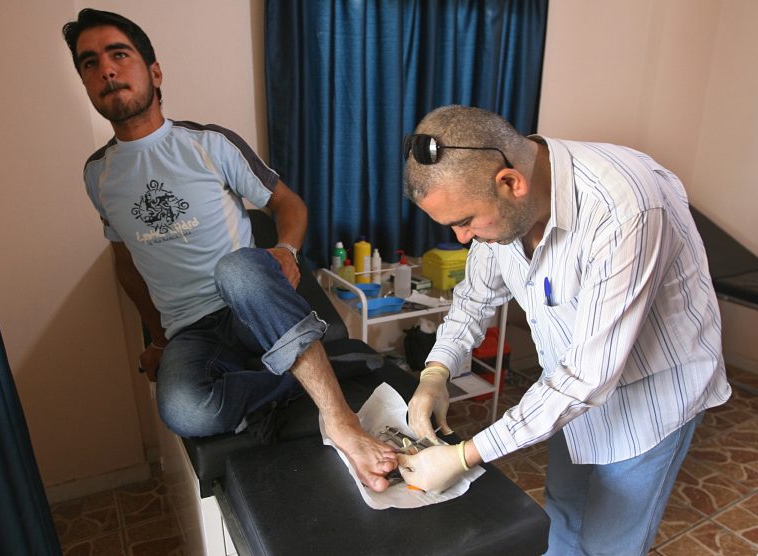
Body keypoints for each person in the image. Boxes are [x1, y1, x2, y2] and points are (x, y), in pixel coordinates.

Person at [61, 8, 396, 492]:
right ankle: (315, 367)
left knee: (238, 268)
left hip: (247, 304)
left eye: (118, 54)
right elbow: (125, 261)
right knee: (183, 409)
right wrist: (157, 340)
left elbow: (288, 203)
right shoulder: (98, 175)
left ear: (154, 72)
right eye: (89, 64)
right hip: (192, 334)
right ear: (86, 84)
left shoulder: (208, 143)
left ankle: (339, 419)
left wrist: (284, 249)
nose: (106, 70)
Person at [398, 105, 731, 554]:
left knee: (610, 542)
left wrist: (463, 456)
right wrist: (436, 371)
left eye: (464, 221)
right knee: (561, 519)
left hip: (651, 398)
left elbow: (587, 376)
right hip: (568, 389)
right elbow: (475, 298)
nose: (461, 238)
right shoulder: (500, 215)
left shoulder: (625, 210)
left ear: (511, 183)